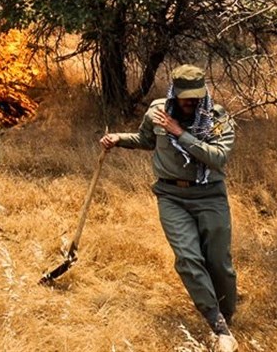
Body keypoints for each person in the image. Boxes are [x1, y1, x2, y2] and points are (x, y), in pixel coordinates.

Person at [100, 65, 239, 352]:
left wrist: (181, 134)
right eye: (185, 97)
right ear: (174, 92)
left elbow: (218, 158)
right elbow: (146, 140)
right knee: (188, 259)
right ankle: (218, 326)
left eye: (196, 97)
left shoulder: (217, 118)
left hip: (210, 195)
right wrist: (118, 139)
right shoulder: (157, 112)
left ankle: (227, 315)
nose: (190, 102)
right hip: (171, 196)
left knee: (219, 264)